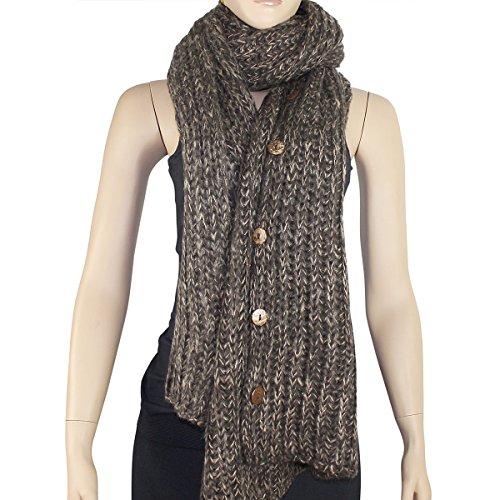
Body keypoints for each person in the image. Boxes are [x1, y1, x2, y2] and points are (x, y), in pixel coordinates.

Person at [65, 1, 432, 499]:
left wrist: (414, 439)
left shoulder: (366, 115)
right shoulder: (152, 105)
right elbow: (102, 284)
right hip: (184, 430)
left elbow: (392, 296)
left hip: (314, 432)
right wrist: (78, 441)